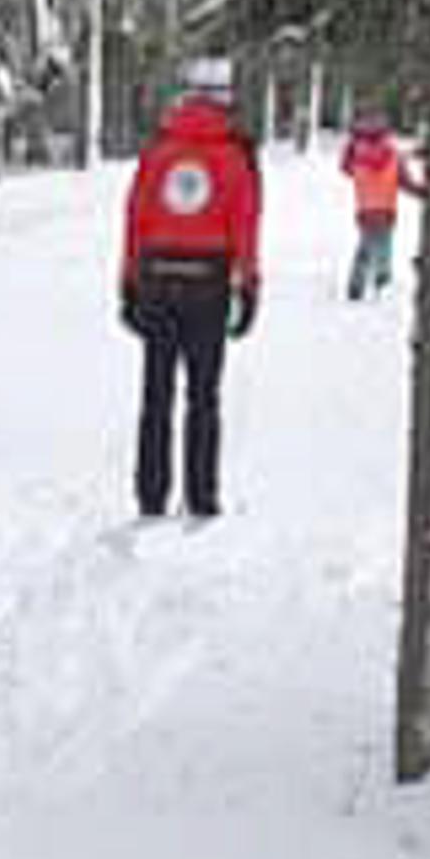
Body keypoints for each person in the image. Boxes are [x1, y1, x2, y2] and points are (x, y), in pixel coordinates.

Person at [118, 55, 262, 522]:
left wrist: (128, 283)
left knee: (155, 396)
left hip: (157, 279)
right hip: (209, 282)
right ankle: (201, 496)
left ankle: (151, 495)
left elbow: (135, 219)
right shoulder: (236, 156)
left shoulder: (157, 151)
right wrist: (249, 285)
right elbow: (245, 226)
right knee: (204, 397)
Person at [341, 116, 410, 299]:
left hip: (365, 208)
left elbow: (345, 168)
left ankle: (357, 283)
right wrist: (424, 192)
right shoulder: (394, 154)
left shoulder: (357, 155)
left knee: (365, 245)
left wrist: (353, 143)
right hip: (387, 207)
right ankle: (382, 278)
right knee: (384, 244)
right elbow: (405, 181)